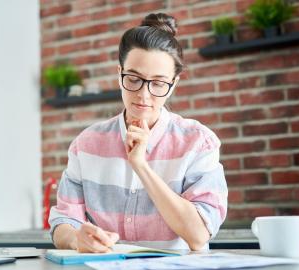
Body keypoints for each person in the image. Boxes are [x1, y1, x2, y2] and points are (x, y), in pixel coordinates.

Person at [48, 13, 228, 252]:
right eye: (133, 79)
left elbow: (198, 235)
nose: (144, 95)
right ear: (119, 72)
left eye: (158, 83)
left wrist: (140, 165)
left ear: (173, 84)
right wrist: (75, 239)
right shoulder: (86, 144)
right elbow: (64, 221)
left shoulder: (198, 142)